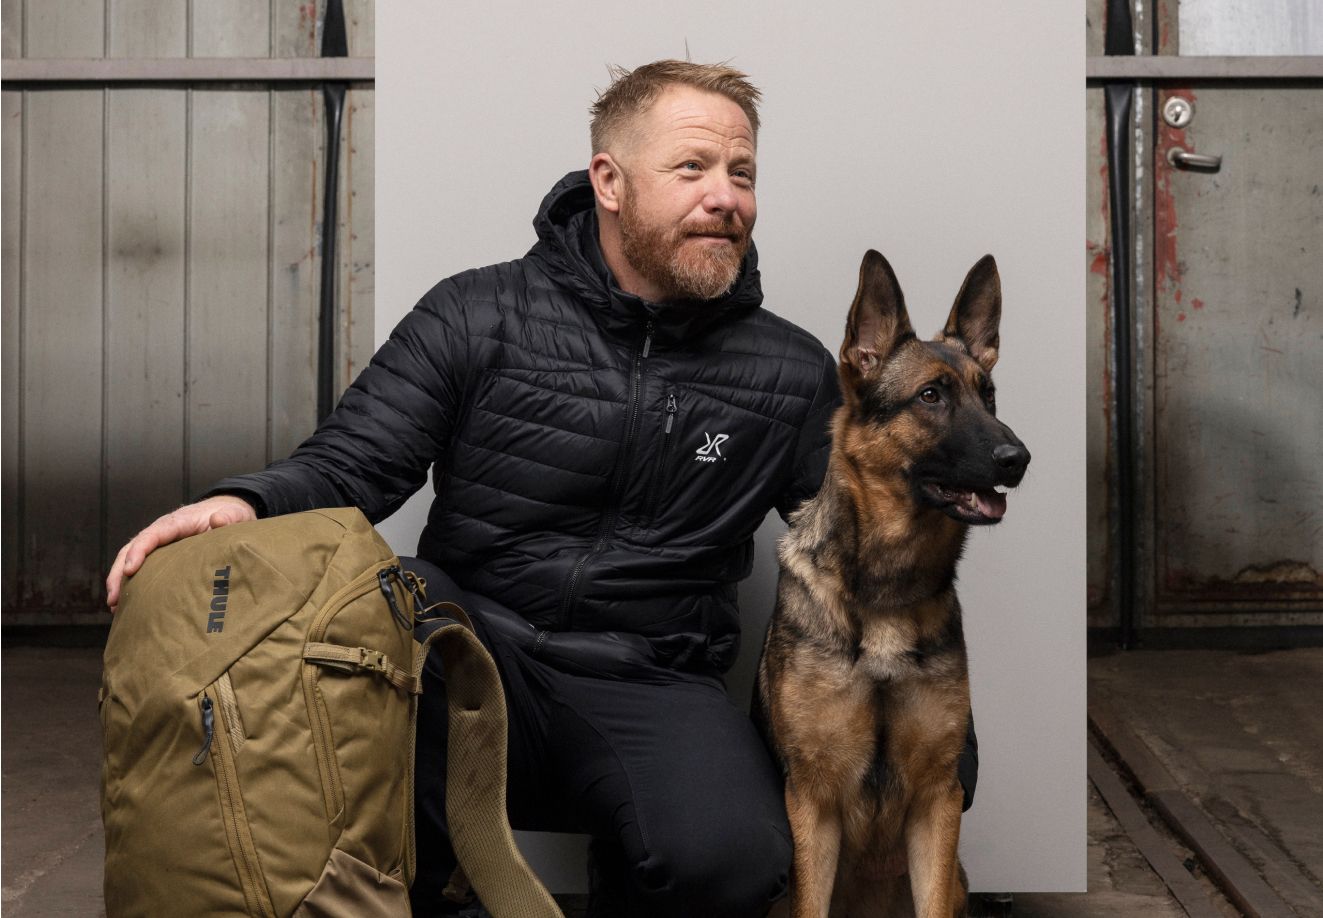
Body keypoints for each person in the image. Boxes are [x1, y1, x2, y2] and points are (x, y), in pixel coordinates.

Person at [106, 60, 974, 917]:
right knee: (391, 606)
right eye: (692, 168)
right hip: (471, 650)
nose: (726, 198)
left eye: (741, 174)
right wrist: (244, 503)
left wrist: (940, 732)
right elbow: (350, 464)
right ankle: (429, 897)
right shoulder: (476, 313)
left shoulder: (787, 370)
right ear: (609, 181)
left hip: (650, 677)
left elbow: (864, 545)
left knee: (736, 860)